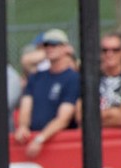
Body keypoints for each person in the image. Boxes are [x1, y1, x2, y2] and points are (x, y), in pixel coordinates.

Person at [14, 28, 79, 159]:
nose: (49, 48)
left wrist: (40, 139)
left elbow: (63, 118)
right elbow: (26, 106)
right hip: (34, 141)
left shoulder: (73, 78)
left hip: (59, 144)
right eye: (46, 45)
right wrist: (22, 126)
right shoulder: (36, 76)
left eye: (54, 44)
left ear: (65, 47)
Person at [98, 31, 121, 128]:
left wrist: (97, 116)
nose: (109, 54)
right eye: (105, 50)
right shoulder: (92, 79)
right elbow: (81, 115)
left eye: (115, 50)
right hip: (95, 139)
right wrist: (113, 113)